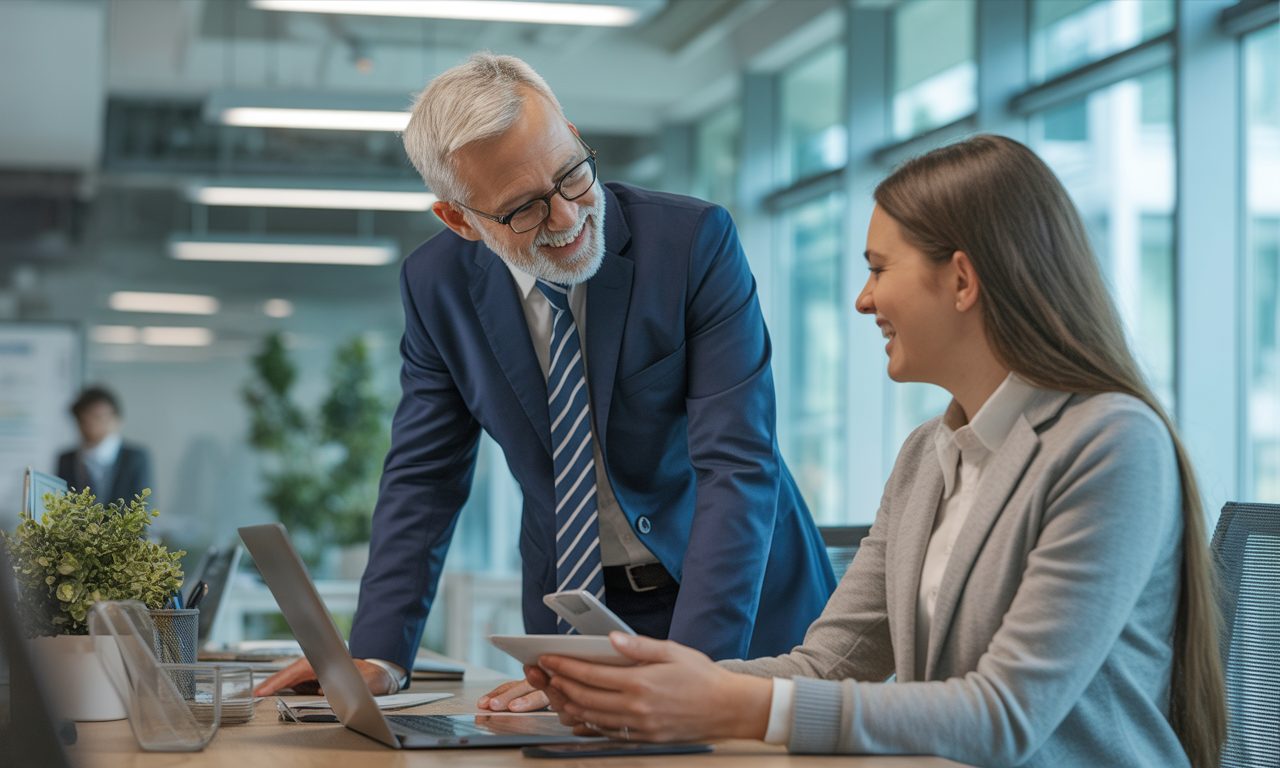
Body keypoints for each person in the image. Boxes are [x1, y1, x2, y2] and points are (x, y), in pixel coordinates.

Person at [525, 135, 1226, 768]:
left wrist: (729, 705)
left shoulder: (1111, 443)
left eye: (879, 267)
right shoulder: (930, 454)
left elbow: (1005, 717)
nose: (863, 301)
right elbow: (831, 664)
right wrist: (634, 688)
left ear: (961, 279)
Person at [255, 53, 835, 707]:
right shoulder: (436, 286)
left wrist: (687, 676)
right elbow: (424, 478)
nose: (566, 218)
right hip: (585, 618)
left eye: (572, 176)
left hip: (746, 607)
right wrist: (379, 654)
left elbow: (739, 465)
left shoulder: (692, 243)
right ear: (459, 220)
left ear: (575, 134)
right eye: (523, 209)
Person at [56, 386, 152, 505]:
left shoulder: (135, 458)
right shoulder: (67, 460)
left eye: (99, 417)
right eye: (85, 418)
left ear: (116, 419)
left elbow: (142, 510)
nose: (91, 423)